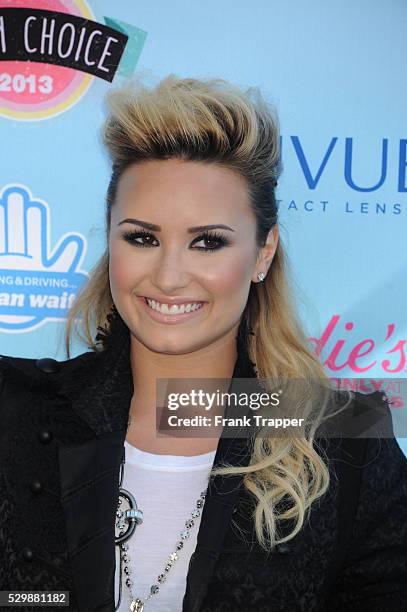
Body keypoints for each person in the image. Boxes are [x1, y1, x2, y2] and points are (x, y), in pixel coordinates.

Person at [0, 74, 406, 612]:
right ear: (111, 237)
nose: (168, 277)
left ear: (263, 253)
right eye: (142, 238)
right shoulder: (16, 409)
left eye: (208, 242)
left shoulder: (344, 433)